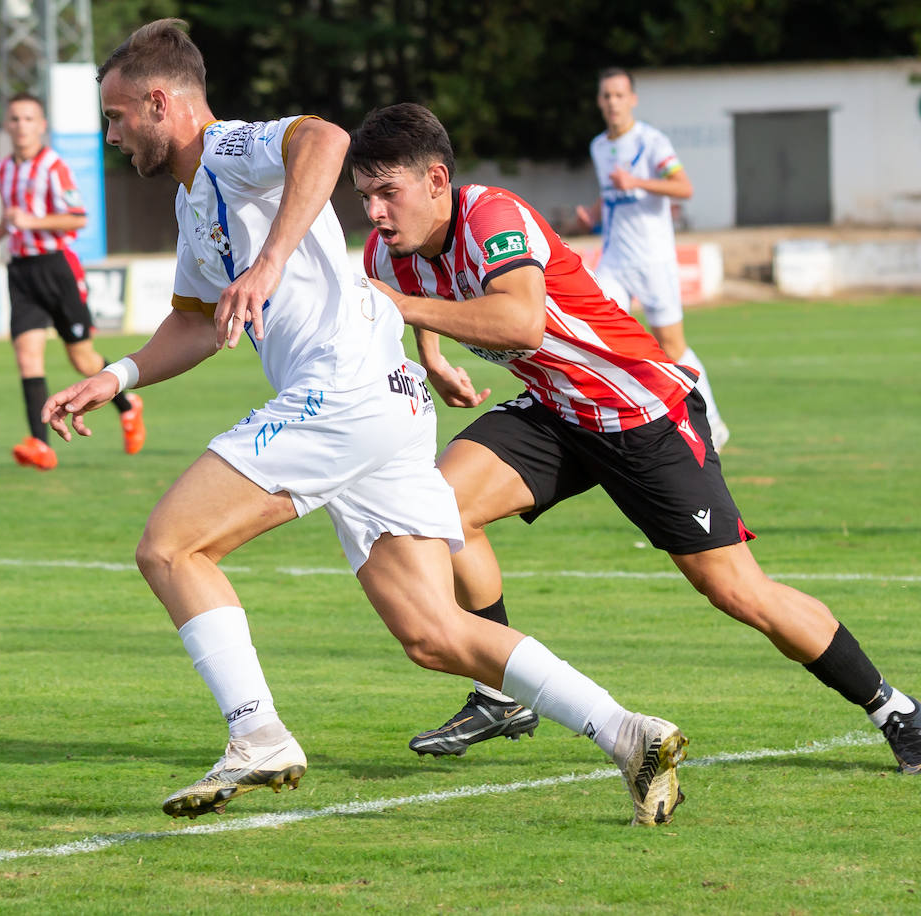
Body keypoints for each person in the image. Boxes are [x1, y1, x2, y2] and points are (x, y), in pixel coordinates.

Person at [43, 19, 689, 827]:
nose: (112, 135)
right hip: (385, 400)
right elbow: (200, 321)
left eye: (115, 117)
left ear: (160, 102)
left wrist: (272, 260)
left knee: (170, 546)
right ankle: (630, 732)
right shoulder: (193, 201)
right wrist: (117, 374)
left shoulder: (228, 148)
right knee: (434, 633)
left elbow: (325, 137)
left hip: (340, 391)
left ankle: (257, 736)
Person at [351, 102, 921, 776]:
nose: (374, 212)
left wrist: (406, 313)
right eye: (365, 195)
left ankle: (893, 706)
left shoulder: (493, 216)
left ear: (435, 179)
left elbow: (520, 323)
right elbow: (411, 286)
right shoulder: (388, 250)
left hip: (644, 412)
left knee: (736, 591)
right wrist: (432, 355)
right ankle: (502, 693)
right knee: (439, 504)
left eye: (387, 192)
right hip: (557, 412)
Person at [0, 92, 146, 469]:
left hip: (57, 267)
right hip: (21, 271)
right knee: (27, 356)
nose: (21, 126)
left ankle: (128, 403)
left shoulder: (54, 167)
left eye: (28, 119)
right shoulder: (1, 169)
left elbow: (77, 218)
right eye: (15, 119)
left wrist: (30, 223)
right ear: (7, 126)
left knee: (81, 357)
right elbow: (13, 215)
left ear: (42, 126)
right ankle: (40, 446)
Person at [573, 68, 728, 450]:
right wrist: (593, 214)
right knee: (603, 338)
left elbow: (683, 187)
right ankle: (626, 422)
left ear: (633, 99)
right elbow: (610, 189)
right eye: (606, 95)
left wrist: (638, 182)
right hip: (614, 260)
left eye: (619, 95)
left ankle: (712, 422)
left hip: (654, 260)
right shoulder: (598, 146)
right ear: (599, 101)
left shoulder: (652, 142)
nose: (612, 102)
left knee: (672, 345)